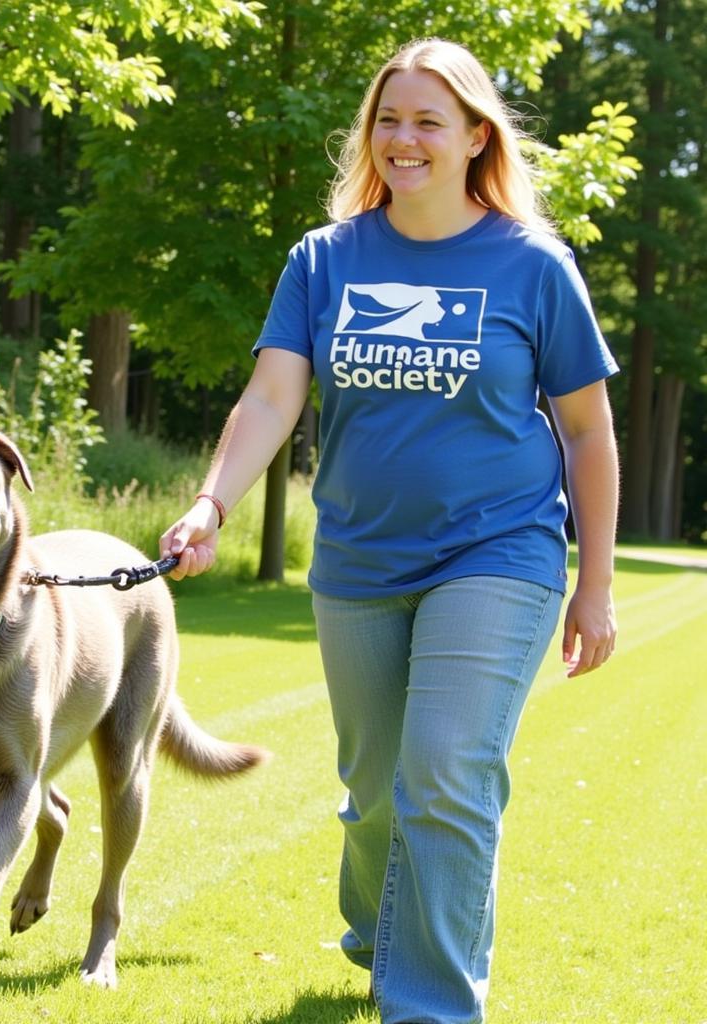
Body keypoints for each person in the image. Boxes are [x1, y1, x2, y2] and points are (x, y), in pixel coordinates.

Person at [160, 37, 619, 1024]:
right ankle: (379, 932)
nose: (403, 139)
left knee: (445, 768)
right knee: (376, 789)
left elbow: (586, 430)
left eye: (427, 121)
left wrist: (595, 582)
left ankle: (431, 1005)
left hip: (499, 550)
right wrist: (211, 504)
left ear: (472, 138)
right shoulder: (323, 260)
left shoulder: (532, 266)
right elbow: (273, 394)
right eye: (388, 119)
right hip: (360, 557)